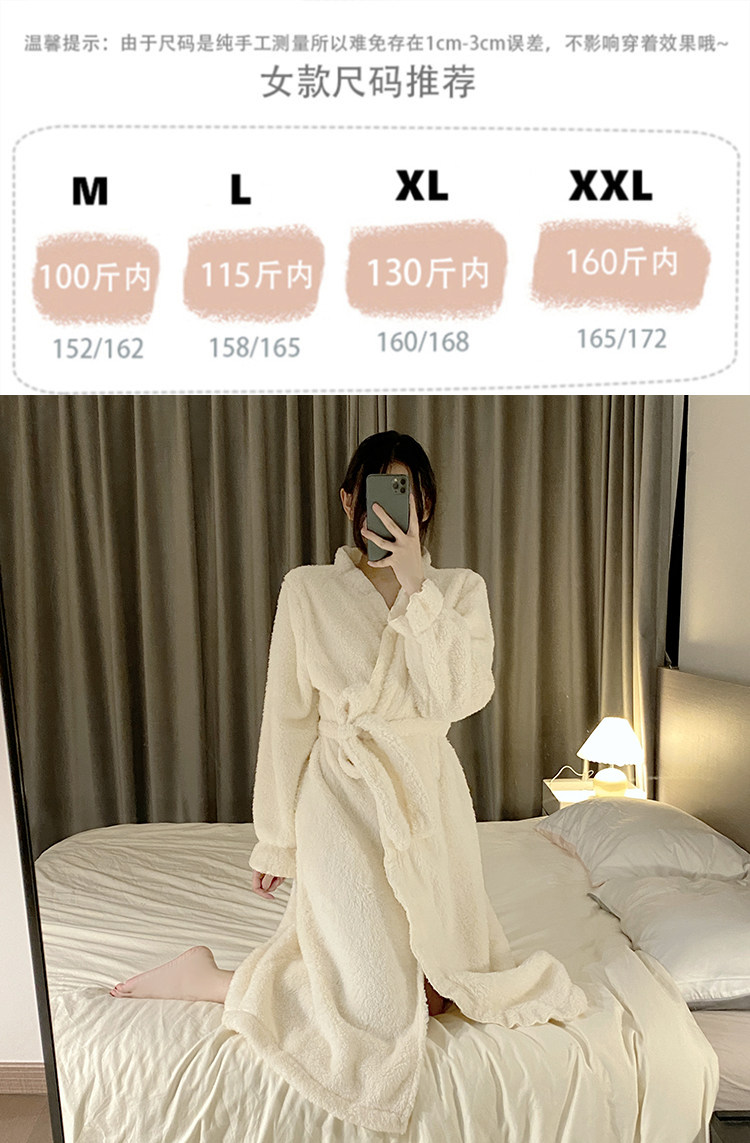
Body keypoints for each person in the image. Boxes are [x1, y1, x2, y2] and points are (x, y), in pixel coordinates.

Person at [110, 431, 586, 1135]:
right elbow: (287, 718)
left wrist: (419, 587)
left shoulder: (459, 591)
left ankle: (227, 974)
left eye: (407, 492)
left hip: (424, 797)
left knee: (441, 995)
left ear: (426, 503)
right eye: (376, 492)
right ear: (348, 500)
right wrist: (276, 839)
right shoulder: (307, 590)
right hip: (337, 795)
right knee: (371, 1005)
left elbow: (458, 696)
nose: (392, 507)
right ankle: (206, 978)